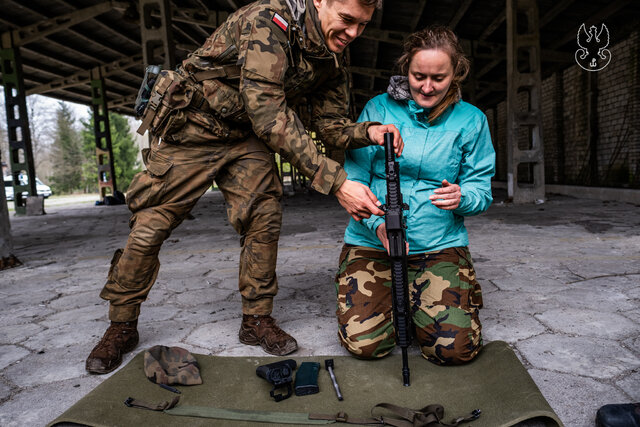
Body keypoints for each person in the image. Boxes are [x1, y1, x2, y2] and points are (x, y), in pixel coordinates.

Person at [86, 0, 406, 374]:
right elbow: (267, 109)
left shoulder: (333, 57)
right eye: (347, 20)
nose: (353, 33)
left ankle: (256, 319)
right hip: (196, 127)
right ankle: (121, 325)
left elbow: (330, 123)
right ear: (320, 1)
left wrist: (366, 131)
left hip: (247, 135)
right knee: (150, 226)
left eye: (363, 26)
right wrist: (337, 183)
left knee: (264, 218)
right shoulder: (269, 22)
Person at [334, 26, 495, 365]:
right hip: (373, 240)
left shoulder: (472, 120)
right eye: (418, 75)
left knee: (453, 351)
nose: (426, 86)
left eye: (438, 77)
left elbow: (482, 189)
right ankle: (392, 299)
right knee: (366, 346)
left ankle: (414, 297)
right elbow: (356, 180)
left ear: (456, 73)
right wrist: (378, 225)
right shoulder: (377, 109)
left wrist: (463, 196)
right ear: (405, 68)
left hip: (439, 243)